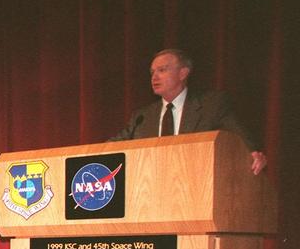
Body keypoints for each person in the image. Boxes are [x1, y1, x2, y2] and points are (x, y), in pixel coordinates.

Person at [111, 48, 266, 175]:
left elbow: (239, 135)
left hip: (197, 184)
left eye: (162, 70)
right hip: (151, 188)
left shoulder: (211, 105)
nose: (154, 77)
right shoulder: (143, 116)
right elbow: (114, 145)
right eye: (152, 72)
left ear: (183, 73)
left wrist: (253, 152)